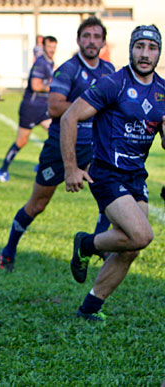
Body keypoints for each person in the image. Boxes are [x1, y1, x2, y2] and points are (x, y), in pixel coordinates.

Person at [60, 25, 164, 322]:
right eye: (140, 46)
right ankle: (86, 244)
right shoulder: (113, 84)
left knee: (129, 248)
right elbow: (70, 117)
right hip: (106, 174)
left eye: (152, 48)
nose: (145, 54)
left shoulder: (163, 91)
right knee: (141, 235)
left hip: (136, 177)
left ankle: (90, 307)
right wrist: (71, 168)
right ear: (130, 49)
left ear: (159, 52)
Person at [0, 17, 115, 272]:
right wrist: (90, 107)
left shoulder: (109, 70)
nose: (91, 41)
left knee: (109, 196)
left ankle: (95, 246)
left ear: (103, 42)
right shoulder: (69, 69)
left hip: (95, 147)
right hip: (61, 147)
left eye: (96, 37)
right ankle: (9, 248)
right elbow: (54, 107)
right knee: (38, 204)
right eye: (86, 36)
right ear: (78, 40)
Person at [0, 36, 58, 182]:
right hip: (30, 108)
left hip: (43, 108)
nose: (52, 50)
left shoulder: (51, 63)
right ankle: (3, 169)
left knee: (57, 134)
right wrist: (54, 88)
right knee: (21, 141)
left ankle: (42, 163)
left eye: (54, 47)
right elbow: (36, 86)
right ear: (43, 47)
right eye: (49, 46)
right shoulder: (40, 63)